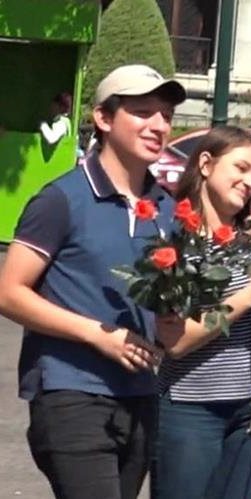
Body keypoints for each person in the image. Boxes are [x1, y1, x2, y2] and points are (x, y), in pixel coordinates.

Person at [0, 64, 186, 499]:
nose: (158, 125)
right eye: (143, 112)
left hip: (141, 394)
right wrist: (97, 335)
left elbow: (171, 311)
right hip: (72, 392)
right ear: (104, 118)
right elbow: (8, 292)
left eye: (166, 115)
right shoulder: (62, 198)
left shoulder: (168, 209)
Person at [153, 126, 251, 499]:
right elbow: (175, 340)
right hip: (190, 409)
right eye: (241, 168)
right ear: (205, 164)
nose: (250, 182)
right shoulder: (173, 243)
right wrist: (249, 297)